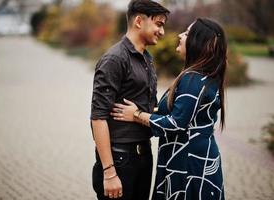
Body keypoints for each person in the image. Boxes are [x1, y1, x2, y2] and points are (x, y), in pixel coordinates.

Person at [111, 18, 227, 200]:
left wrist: (136, 115)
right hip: (194, 158)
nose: (180, 35)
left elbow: (176, 124)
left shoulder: (193, 79)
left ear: (199, 43)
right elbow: (181, 115)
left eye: (187, 33)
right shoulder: (205, 76)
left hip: (188, 164)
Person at [90, 0, 170, 199]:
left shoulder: (146, 58)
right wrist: (109, 172)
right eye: (158, 24)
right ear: (139, 21)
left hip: (144, 154)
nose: (162, 32)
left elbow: (150, 107)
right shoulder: (115, 59)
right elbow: (98, 117)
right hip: (120, 158)